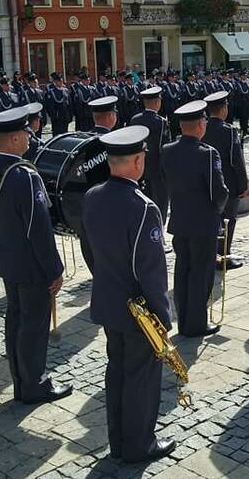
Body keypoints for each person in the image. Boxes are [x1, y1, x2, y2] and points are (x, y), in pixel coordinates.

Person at [82, 126, 176, 463]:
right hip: (139, 311)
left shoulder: (92, 196)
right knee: (140, 379)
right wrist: (162, 317)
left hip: (108, 300)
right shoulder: (143, 207)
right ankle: (139, 445)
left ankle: (119, 441)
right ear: (137, 161)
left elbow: (89, 251)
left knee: (117, 372)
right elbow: (149, 271)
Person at [0, 108, 72, 404]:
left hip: (8, 259)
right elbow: (39, 229)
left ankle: (20, 380)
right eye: (26, 135)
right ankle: (34, 384)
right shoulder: (24, 176)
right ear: (15, 137)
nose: (30, 140)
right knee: (33, 325)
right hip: (32, 265)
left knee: (16, 320)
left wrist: (3, 247)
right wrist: (54, 268)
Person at [161, 100, 228, 338]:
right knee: (201, 273)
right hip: (203, 223)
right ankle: (196, 323)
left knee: (183, 270)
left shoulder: (168, 150)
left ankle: (183, 319)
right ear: (201, 125)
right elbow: (218, 192)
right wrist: (219, 211)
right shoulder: (207, 154)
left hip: (180, 220)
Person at [202, 91, 248, 270]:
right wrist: (243, 184)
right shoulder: (228, 131)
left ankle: (212, 254)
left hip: (206, 183)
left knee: (212, 219)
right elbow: (237, 160)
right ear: (223, 109)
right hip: (228, 183)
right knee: (229, 220)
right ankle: (223, 256)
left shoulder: (203, 127)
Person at [129, 86, 171, 222]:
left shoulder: (135, 119)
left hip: (137, 167)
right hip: (156, 169)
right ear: (157, 102)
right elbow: (164, 148)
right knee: (159, 203)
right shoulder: (160, 122)